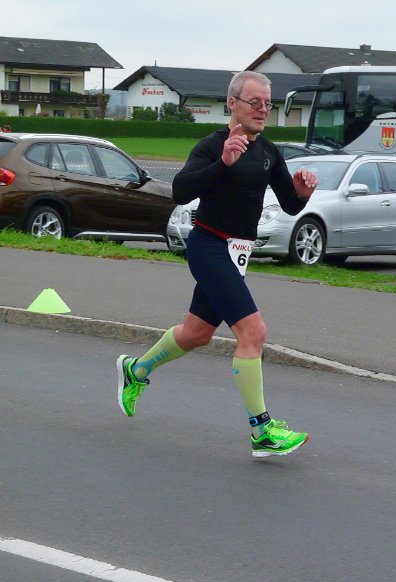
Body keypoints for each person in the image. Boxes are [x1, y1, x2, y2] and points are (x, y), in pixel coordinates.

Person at [116, 71, 318, 458]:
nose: (263, 110)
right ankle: (262, 431)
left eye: (268, 104)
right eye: (255, 102)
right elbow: (180, 190)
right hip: (208, 246)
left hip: (237, 253)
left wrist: (302, 193)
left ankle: (136, 370)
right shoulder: (212, 145)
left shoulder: (269, 152)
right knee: (253, 332)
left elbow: (290, 205)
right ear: (232, 104)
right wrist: (223, 163)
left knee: (196, 334)